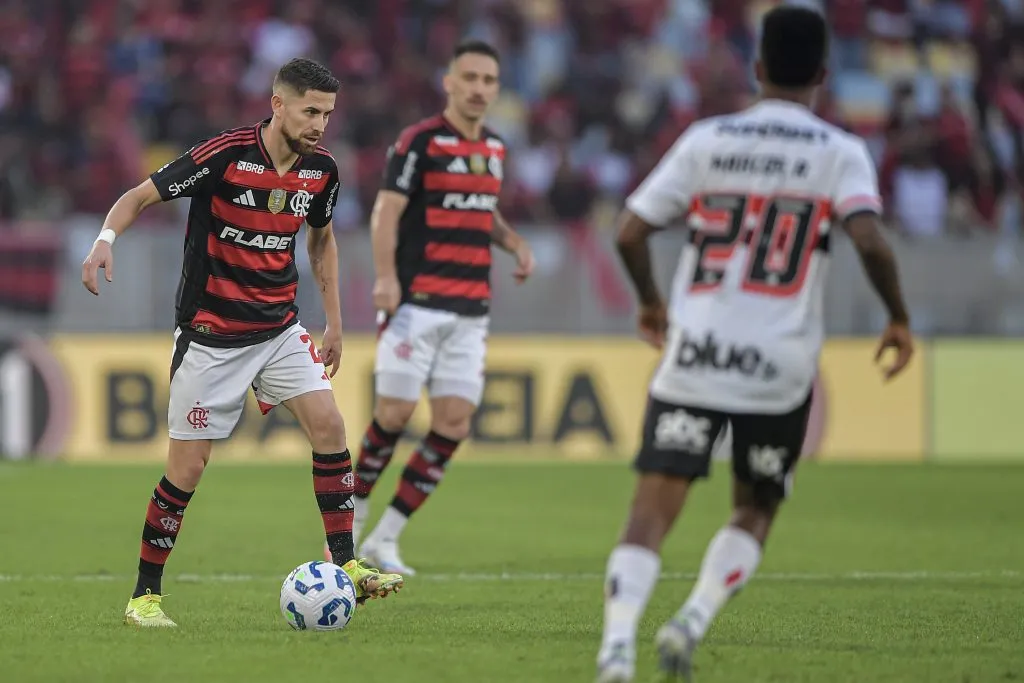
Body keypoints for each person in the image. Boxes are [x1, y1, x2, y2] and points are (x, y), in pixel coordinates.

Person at [594, 7, 914, 682]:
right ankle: (693, 619)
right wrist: (897, 316)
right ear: (824, 75)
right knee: (756, 504)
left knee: (651, 507)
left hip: (696, 352)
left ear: (758, 66)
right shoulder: (838, 151)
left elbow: (628, 230)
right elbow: (868, 238)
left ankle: (617, 647)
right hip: (779, 364)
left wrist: (652, 302)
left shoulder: (707, 140)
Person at [80, 58, 404, 628]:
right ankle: (144, 597)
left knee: (330, 427)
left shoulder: (321, 171)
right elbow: (137, 197)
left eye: (327, 114)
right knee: (188, 469)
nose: (320, 125)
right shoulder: (223, 156)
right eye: (310, 111)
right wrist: (105, 240)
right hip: (211, 336)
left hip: (279, 328)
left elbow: (321, 244)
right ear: (277, 104)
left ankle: (347, 566)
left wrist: (334, 323)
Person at [321, 40, 535, 575]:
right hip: (417, 303)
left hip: (470, 309)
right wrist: (387, 278)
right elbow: (386, 214)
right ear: (450, 81)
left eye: (489, 80)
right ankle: (350, 527)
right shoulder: (419, 142)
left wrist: (513, 243)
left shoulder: (495, 148)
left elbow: (481, 211)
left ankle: (387, 536)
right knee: (393, 414)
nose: (479, 88)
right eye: (470, 77)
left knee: (454, 423)